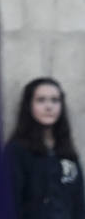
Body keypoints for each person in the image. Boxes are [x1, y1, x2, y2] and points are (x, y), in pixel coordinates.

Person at [6, 78, 85, 219]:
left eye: (55, 100)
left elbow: (78, 205)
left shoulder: (67, 153)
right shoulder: (17, 150)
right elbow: (11, 202)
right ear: (29, 105)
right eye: (41, 100)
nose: (49, 107)